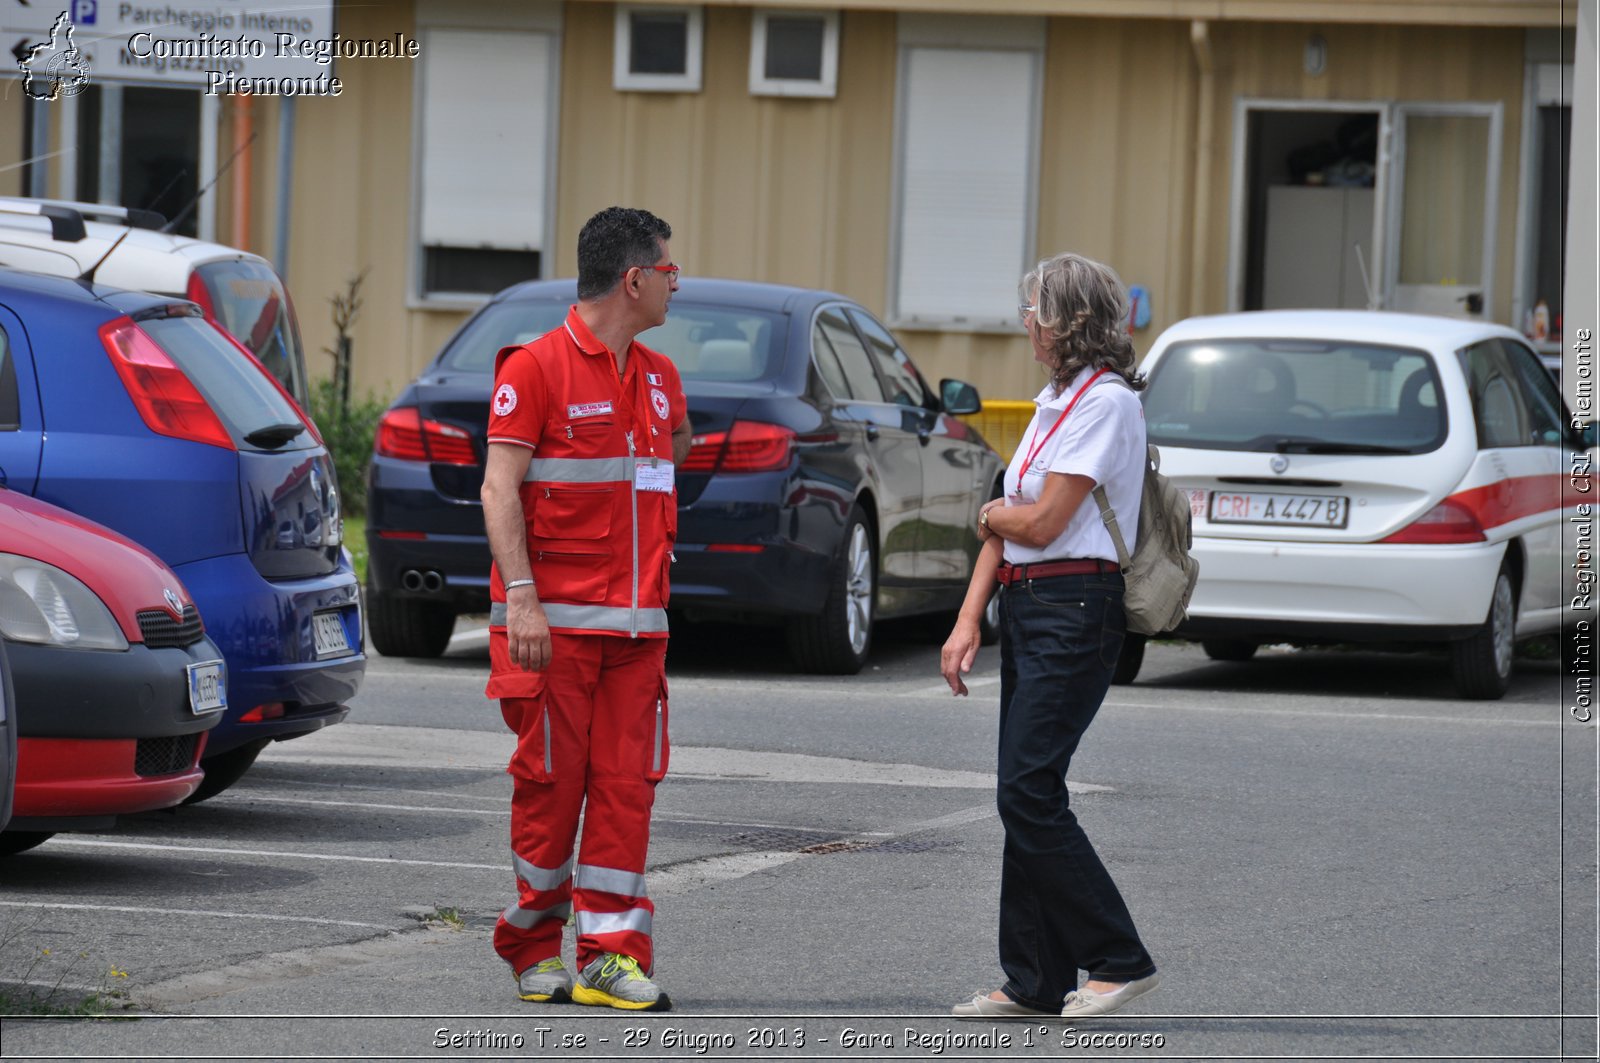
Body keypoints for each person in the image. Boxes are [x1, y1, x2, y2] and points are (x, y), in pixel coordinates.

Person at [480, 206, 692, 1012]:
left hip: (638, 637)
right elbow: (499, 487)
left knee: (625, 790)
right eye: (669, 272)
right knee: (550, 790)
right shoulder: (534, 369)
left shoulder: (662, 379)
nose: (677, 285)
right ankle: (534, 945)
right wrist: (523, 600)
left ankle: (610, 955)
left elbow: (667, 468)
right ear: (633, 279)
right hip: (553, 635)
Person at [940, 252, 1160, 1021]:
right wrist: (969, 619)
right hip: (1029, 606)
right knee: (1026, 793)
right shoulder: (1054, 399)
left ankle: (1119, 957)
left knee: (1027, 791)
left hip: (1076, 609)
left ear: (1069, 321)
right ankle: (1034, 977)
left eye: (1035, 309)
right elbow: (1006, 525)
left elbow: (1033, 520)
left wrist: (994, 514)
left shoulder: (1107, 405)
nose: (1025, 322)